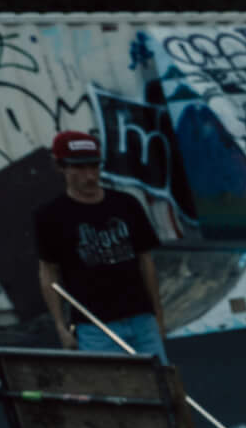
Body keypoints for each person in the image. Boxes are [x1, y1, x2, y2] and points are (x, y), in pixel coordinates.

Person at [34, 130, 171, 361]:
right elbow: (49, 272)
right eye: (78, 168)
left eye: (94, 166)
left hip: (141, 318)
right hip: (94, 325)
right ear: (61, 167)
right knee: (114, 391)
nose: (89, 176)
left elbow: (145, 262)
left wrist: (158, 315)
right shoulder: (50, 216)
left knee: (161, 386)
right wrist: (60, 326)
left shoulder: (127, 204)